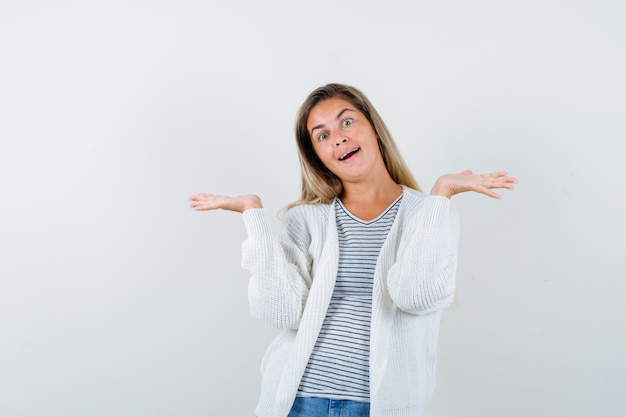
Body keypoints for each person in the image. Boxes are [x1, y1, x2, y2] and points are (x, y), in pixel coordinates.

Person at [189, 83, 516, 417]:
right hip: (298, 402)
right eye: (322, 135)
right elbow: (280, 313)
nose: (338, 138)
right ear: (318, 156)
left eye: (346, 122)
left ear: (373, 127)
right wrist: (253, 216)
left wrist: (440, 193)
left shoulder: (428, 213)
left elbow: (416, 296)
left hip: (381, 408)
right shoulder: (306, 219)